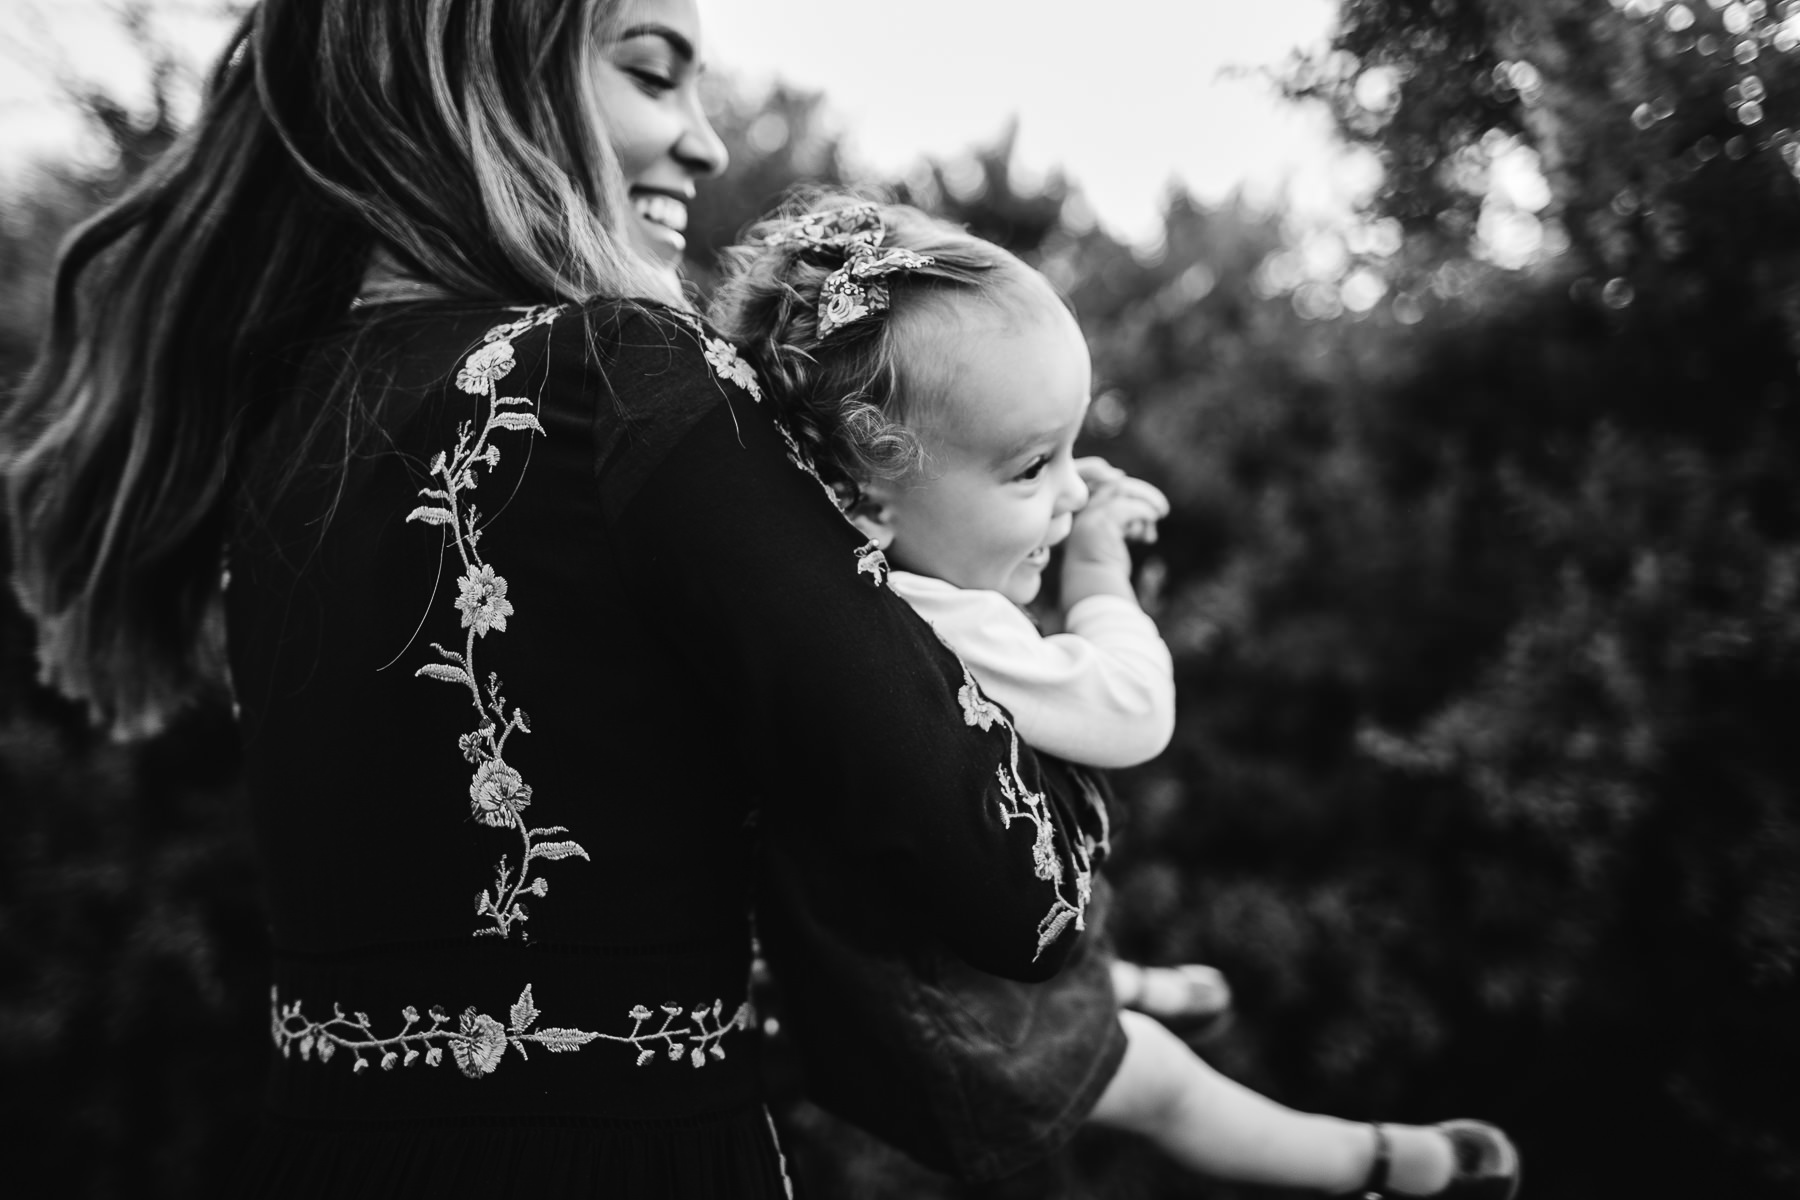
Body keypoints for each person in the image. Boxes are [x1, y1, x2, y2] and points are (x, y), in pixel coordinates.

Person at [0, 3, 1114, 1196]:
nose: (707, 142)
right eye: (652, 72)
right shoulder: (626, 375)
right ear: (486, 68)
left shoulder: (282, 417)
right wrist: (1084, 628)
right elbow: (1030, 894)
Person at [711, 194, 1522, 1199]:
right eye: (1028, 468)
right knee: (1167, 1086)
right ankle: (1379, 1162)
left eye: (1068, 450)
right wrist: (1101, 577)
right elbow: (1131, 711)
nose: (1069, 493)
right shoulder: (928, 626)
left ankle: (1123, 982)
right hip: (951, 1031)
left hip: (895, 972)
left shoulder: (830, 597)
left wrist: (1033, 502)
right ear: (863, 495)